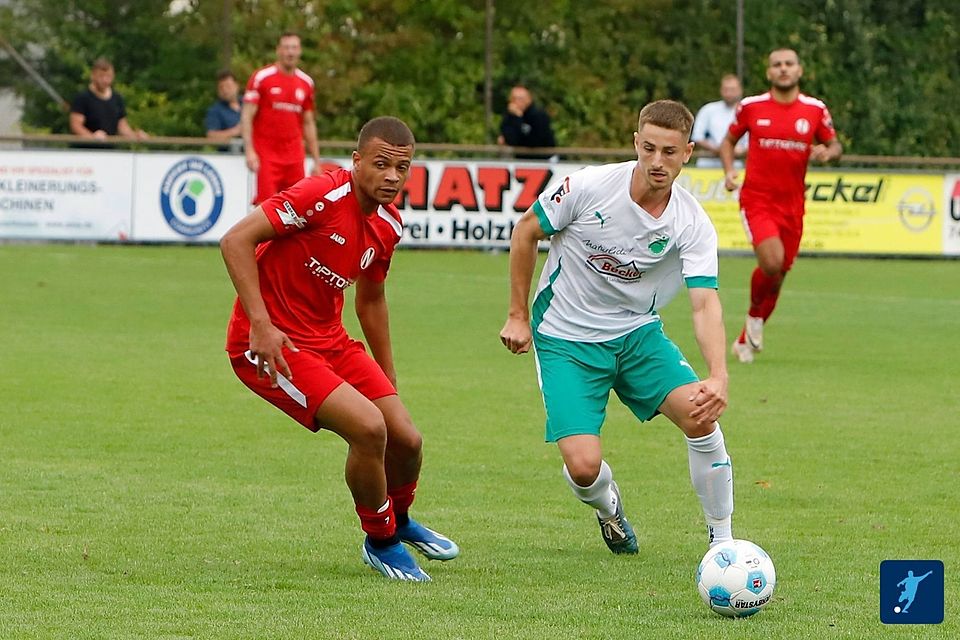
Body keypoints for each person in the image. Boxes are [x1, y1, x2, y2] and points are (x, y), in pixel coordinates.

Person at [220, 116, 458, 582]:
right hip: (271, 345)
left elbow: (371, 299)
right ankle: (381, 540)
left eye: (402, 167)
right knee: (369, 430)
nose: (392, 176)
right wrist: (262, 327)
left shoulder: (388, 223)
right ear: (357, 161)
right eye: (381, 164)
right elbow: (235, 241)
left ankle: (400, 518)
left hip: (330, 339)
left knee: (406, 438)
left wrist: (388, 375)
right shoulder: (321, 194)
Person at [499, 100, 734, 555]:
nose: (657, 162)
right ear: (635, 143)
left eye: (669, 152)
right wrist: (517, 315)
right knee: (584, 467)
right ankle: (609, 509)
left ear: (688, 152)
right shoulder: (588, 186)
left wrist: (718, 374)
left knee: (702, 415)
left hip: (637, 335)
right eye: (649, 149)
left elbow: (705, 304)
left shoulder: (692, 222)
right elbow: (526, 231)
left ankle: (722, 542)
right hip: (566, 338)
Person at [720, 48, 843, 364]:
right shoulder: (751, 107)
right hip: (757, 200)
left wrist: (828, 153)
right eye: (777, 65)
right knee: (771, 263)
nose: (783, 69)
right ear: (769, 72)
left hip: (793, 205)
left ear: (799, 70)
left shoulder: (815, 110)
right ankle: (754, 318)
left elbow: (835, 144)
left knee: (779, 274)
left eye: (789, 64)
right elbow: (728, 142)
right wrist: (730, 171)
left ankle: (746, 338)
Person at [242, 32, 322, 204]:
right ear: (278, 50)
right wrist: (249, 150)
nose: (290, 53)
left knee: (295, 207)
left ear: (300, 51)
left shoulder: (306, 83)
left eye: (294, 48)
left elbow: (308, 123)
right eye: (286, 48)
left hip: (294, 156)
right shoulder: (262, 78)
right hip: (266, 155)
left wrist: (316, 160)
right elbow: (247, 116)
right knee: (266, 207)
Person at [69, 58, 149, 141]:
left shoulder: (117, 99)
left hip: (109, 151)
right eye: (101, 76)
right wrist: (92, 137)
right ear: (93, 75)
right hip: (85, 151)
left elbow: (122, 127)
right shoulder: (82, 97)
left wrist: (136, 136)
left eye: (108, 76)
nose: (105, 80)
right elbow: (76, 125)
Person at [691, 74, 747, 167]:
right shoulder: (708, 109)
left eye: (732, 90)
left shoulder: (745, 111)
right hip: (707, 166)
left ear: (740, 90)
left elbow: (750, 141)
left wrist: (740, 151)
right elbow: (697, 137)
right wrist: (718, 149)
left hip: (735, 166)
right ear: (721, 90)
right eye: (726, 90)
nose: (729, 93)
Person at [497, 84, 557, 160]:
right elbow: (509, 138)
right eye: (513, 99)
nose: (516, 102)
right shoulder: (510, 116)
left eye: (520, 99)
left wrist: (519, 118)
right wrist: (516, 118)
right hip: (521, 160)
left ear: (529, 99)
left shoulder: (538, 115)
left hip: (544, 158)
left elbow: (535, 141)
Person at [205, 69, 242, 142]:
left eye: (228, 86)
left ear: (237, 86)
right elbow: (211, 136)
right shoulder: (215, 111)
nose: (225, 90)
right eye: (221, 87)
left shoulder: (248, 104)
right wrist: (236, 131)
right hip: (230, 152)